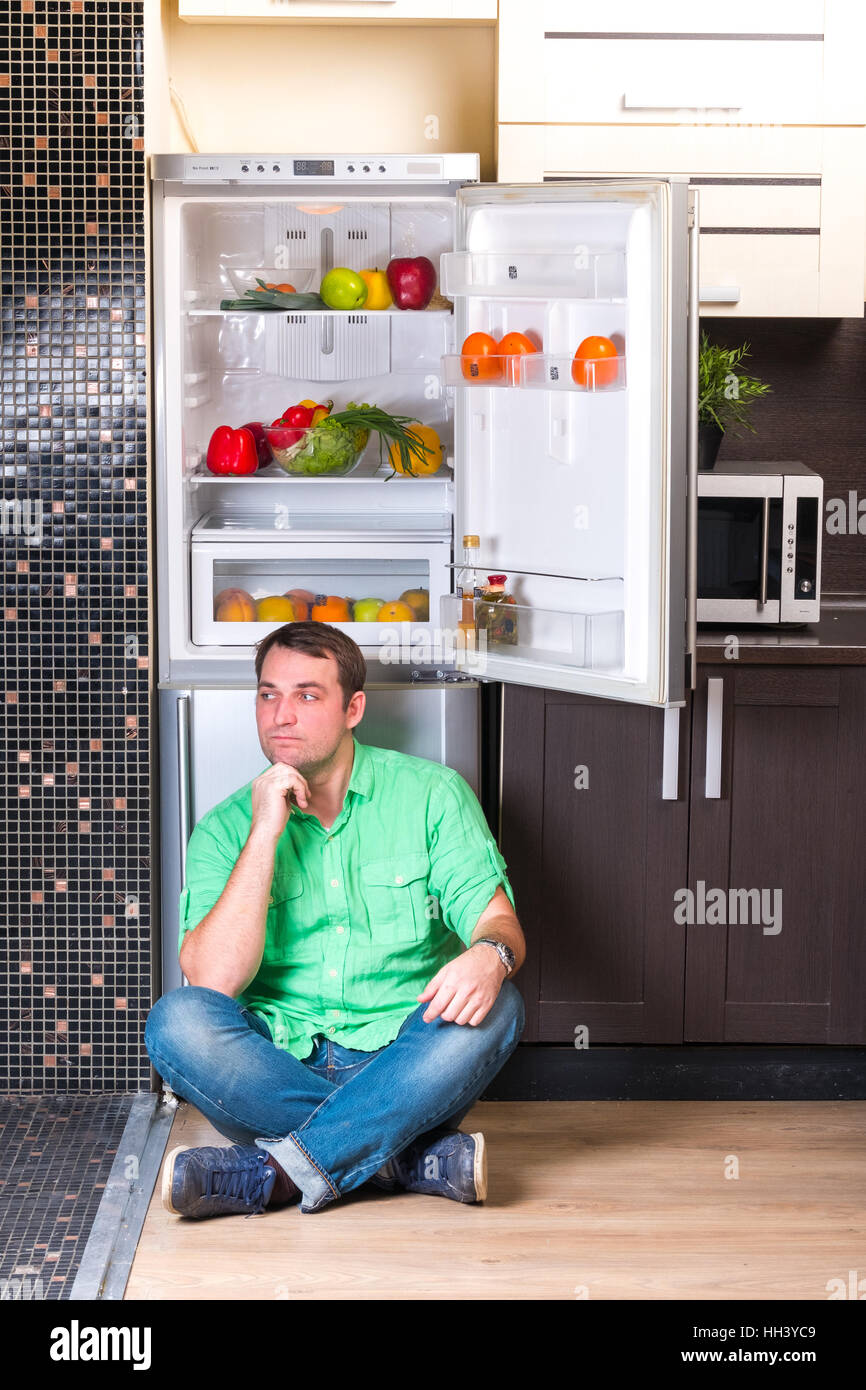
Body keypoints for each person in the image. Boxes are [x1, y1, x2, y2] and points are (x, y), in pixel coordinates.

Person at [145, 621, 526, 1219]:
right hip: (276, 1063)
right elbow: (212, 980)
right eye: (268, 694)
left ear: (353, 708)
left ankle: (275, 1173)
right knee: (176, 1021)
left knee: (498, 1004)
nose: (281, 715)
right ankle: (402, 1157)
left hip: (407, 1058)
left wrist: (489, 955)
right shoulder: (225, 828)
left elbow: (498, 925)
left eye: (306, 695)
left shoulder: (432, 794)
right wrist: (265, 831)